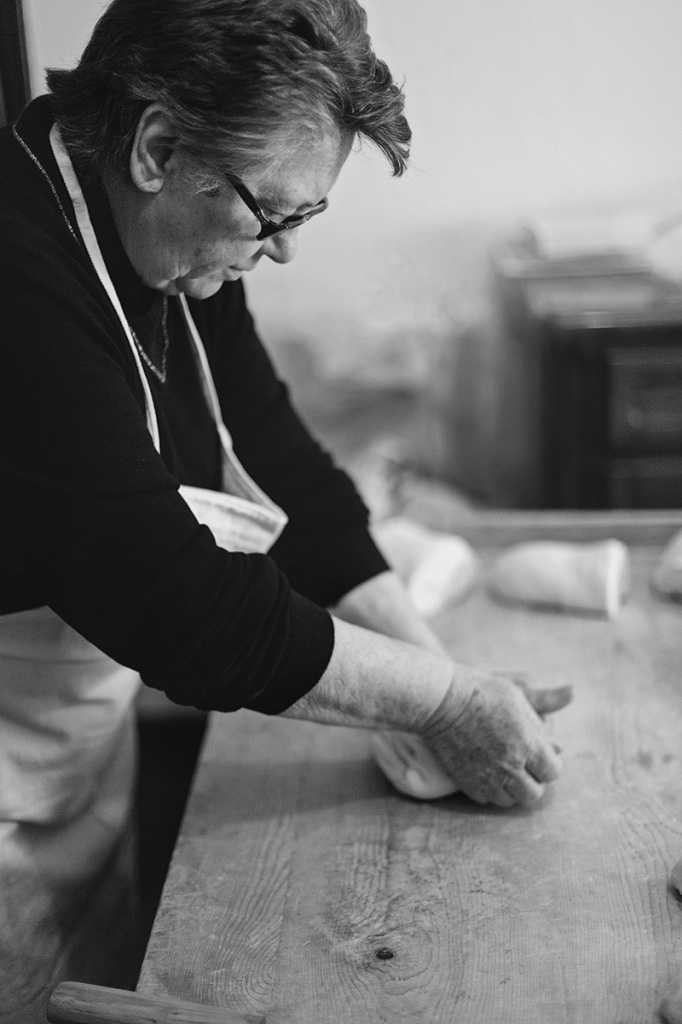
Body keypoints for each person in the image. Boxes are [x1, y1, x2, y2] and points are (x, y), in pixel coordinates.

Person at [0, 0, 571, 1018]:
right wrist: (434, 701)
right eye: (276, 218)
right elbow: (177, 604)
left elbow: (279, 460)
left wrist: (434, 660)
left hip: (74, 759)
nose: (283, 252)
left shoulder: (165, 229)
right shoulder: (18, 278)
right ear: (159, 146)